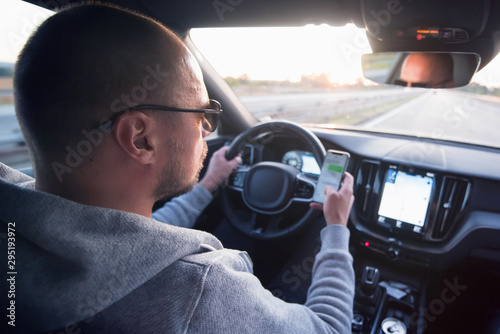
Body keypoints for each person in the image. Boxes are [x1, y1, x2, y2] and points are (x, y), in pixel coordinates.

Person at [0, 3, 355, 333]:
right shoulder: (199, 290)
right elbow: (330, 327)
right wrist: (336, 229)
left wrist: (209, 184)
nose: (205, 128)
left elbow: (129, 242)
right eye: (202, 113)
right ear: (140, 139)